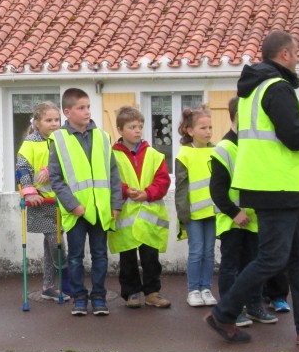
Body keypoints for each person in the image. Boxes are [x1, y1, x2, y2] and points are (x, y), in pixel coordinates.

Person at [205, 30, 299, 345]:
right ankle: (224, 313)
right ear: (284, 54)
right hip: (277, 187)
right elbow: (295, 137)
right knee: (273, 258)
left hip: (280, 188)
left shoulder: (253, 90)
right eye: (296, 52)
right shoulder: (276, 88)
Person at [48, 87, 122, 316]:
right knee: (75, 257)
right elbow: (55, 178)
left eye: (88, 107)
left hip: (100, 210)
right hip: (76, 212)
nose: (87, 111)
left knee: (100, 256)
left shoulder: (103, 137)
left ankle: (99, 297)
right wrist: (73, 205)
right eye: (81, 108)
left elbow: (113, 173)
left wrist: (116, 203)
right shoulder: (58, 139)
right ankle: (79, 298)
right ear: (67, 112)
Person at [209, 96, 276, 328]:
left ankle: (254, 305)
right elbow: (217, 190)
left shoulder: (253, 145)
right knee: (231, 266)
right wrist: (234, 212)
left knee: (254, 265)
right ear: (238, 116)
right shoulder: (224, 148)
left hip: (254, 219)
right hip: (232, 221)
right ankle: (231, 310)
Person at [108, 105, 172, 308]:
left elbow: (163, 181)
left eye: (140, 127)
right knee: (127, 258)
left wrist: (147, 193)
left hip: (149, 216)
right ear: (120, 129)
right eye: (132, 127)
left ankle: (153, 292)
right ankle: (131, 292)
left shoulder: (154, 155)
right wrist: (126, 190)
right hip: (125, 216)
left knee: (151, 257)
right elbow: (110, 180)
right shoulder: (111, 155)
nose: (137, 131)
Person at [15, 101, 68, 301]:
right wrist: (29, 193)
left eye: (57, 120)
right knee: (56, 243)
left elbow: (68, 164)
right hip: (40, 202)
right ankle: (66, 274)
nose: (54, 124)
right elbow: (22, 168)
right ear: (37, 122)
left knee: (50, 244)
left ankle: (48, 286)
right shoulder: (30, 143)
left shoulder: (62, 140)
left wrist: (49, 169)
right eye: (49, 120)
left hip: (60, 202)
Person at [175, 106, 217, 307]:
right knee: (196, 251)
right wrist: (183, 212)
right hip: (193, 214)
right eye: (203, 128)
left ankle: (206, 288)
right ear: (190, 131)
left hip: (213, 212)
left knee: (209, 252)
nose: (208, 132)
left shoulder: (217, 151)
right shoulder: (184, 154)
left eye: (210, 127)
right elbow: (181, 186)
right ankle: (193, 290)